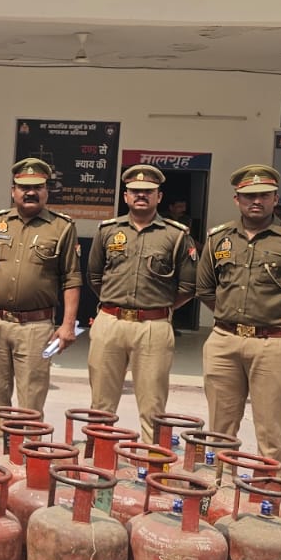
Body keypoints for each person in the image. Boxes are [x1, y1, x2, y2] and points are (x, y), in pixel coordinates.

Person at [196, 164, 281, 476]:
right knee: (219, 429)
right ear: (237, 200)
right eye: (249, 196)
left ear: (275, 199)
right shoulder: (219, 238)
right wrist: (231, 315)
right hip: (224, 342)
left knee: (271, 431)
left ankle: (267, 495)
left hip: (274, 344)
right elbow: (204, 288)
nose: (256, 201)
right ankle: (219, 488)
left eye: (264, 195)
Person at [85, 164, 197, 442]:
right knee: (101, 402)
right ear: (126, 196)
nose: (141, 195)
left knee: (152, 404)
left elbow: (188, 286)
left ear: (159, 196)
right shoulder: (108, 231)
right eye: (135, 191)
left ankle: (152, 459)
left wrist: (160, 308)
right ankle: (100, 455)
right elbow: (95, 276)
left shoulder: (176, 235)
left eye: (148, 191)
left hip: (153, 327)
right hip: (110, 323)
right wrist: (114, 304)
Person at [0, 158, 82, 433]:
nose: (30, 192)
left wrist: (68, 325)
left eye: (37, 187)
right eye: (24, 187)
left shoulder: (62, 227)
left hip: (36, 326)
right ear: (13, 191)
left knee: (32, 395)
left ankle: (27, 446)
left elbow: (72, 278)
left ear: (46, 191)